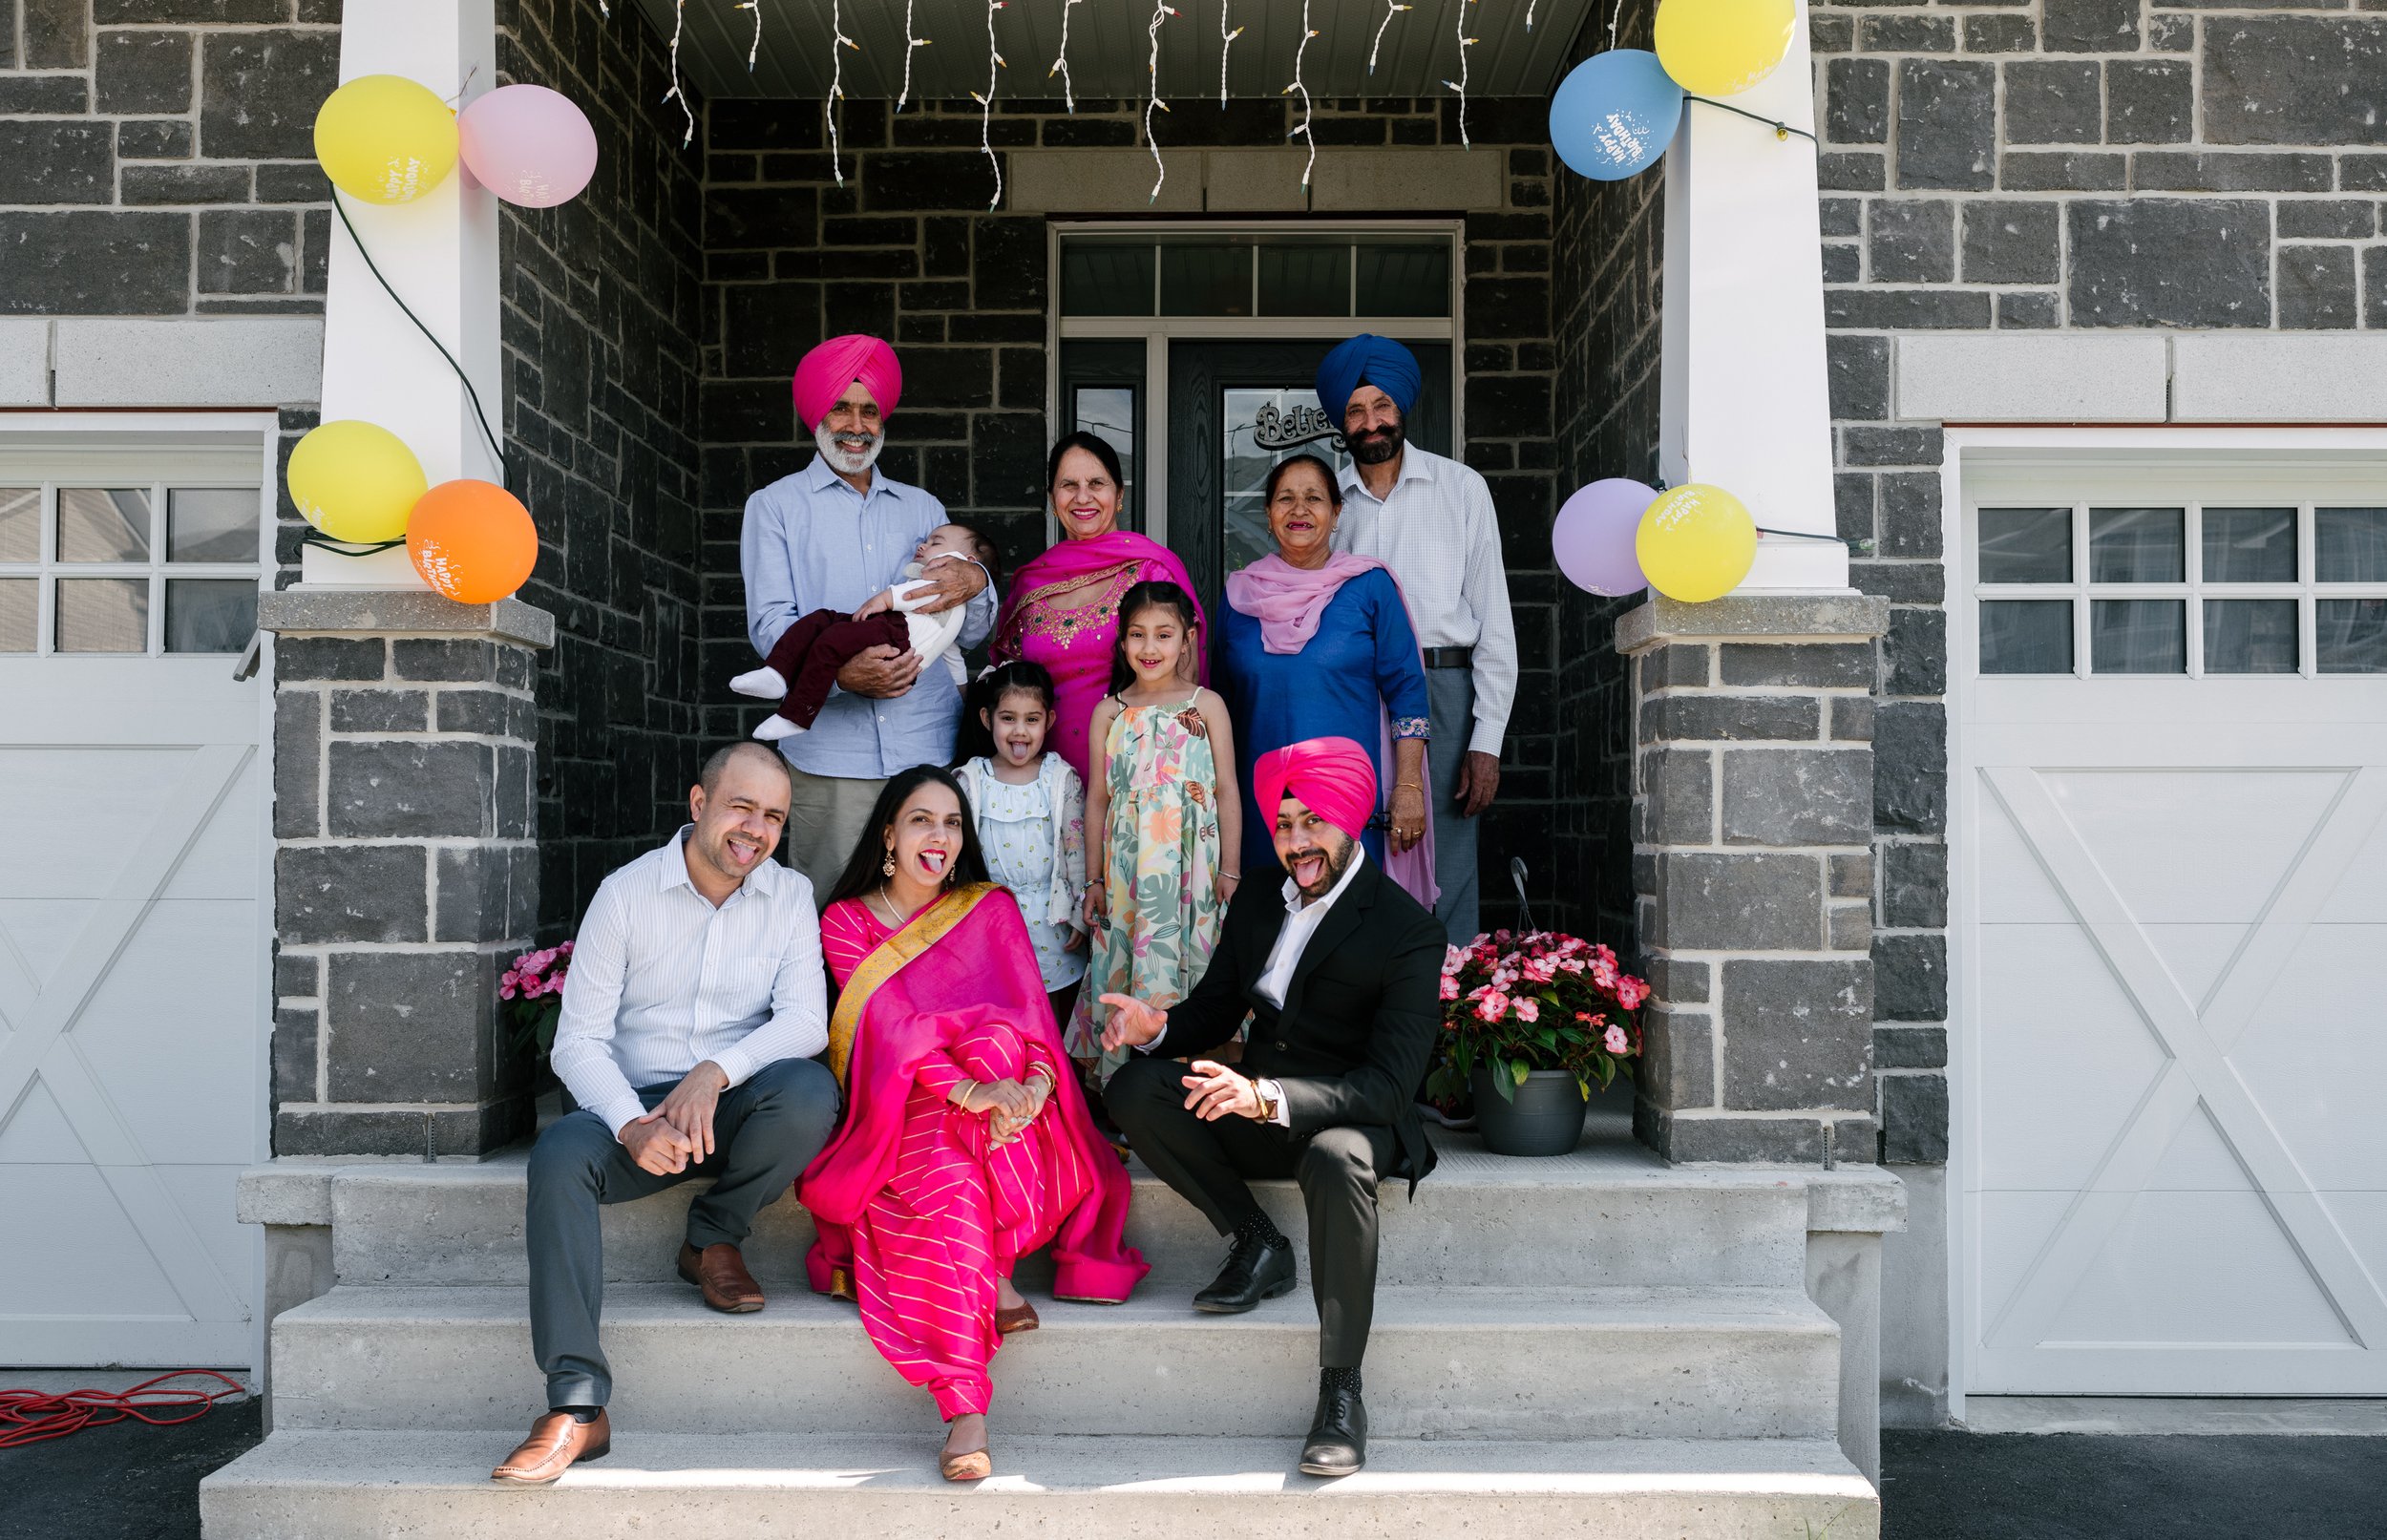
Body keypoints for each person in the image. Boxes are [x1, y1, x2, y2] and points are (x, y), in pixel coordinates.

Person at [494, 743, 841, 1487]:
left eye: (774, 816)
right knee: (558, 1156)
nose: (756, 829)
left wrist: (715, 1073)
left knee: (810, 1092)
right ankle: (578, 1405)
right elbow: (578, 1040)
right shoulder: (626, 894)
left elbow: (807, 1021)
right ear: (698, 804)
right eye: (741, 807)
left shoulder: (787, 895)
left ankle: (712, 1237)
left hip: (732, 1106)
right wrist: (631, 1122)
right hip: (636, 1109)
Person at [1098, 736, 1444, 1479]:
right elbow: (1219, 1004)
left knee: (1336, 1153)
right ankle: (1258, 1239)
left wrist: (1269, 1096)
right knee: (1135, 1085)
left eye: (1311, 822)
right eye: (1284, 825)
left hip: (1353, 1116)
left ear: (1350, 819)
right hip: (1257, 1102)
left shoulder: (1409, 931)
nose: (1295, 842)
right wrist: (1156, 1028)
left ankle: (1341, 1393)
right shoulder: (1259, 896)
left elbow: (1390, 1086)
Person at [796, 767, 1148, 1482]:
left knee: (997, 1042)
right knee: (951, 1178)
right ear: (888, 832)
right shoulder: (847, 921)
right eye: (922, 819)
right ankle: (967, 1403)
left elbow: (1032, 1020)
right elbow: (890, 1032)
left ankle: (991, 1270)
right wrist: (970, 1092)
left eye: (953, 822)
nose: (940, 836)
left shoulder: (987, 909)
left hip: (1001, 1106)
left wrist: (1031, 1087)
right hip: (899, 1107)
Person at [741, 333, 998, 894]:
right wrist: (838, 676)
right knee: (834, 912)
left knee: (927, 915)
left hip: (925, 750)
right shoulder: (775, 507)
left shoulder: (924, 509)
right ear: (817, 415)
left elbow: (969, 634)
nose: (856, 424)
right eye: (841, 407)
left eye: (869, 410)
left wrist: (976, 581)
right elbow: (770, 626)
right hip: (831, 758)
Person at [1318, 333, 1517, 942]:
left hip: (1445, 689)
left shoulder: (1462, 489)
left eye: (1381, 406)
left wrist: (1487, 741)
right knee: (1356, 847)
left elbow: (1496, 626)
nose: (1371, 421)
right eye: (1355, 410)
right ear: (1341, 422)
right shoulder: (1324, 500)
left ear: (1402, 408)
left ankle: (1446, 1013)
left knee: (1448, 863)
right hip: (1354, 692)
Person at [1216, 452, 1435, 910]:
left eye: (1314, 498)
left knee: (1349, 928)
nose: (1299, 510)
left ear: (1337, 512)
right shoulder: (1239, 596)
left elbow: (1408, 694)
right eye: (1285, 499)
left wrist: (1409, 786)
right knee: (1267, 929)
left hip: (1348, 799)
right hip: (1261, 805)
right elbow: (1219, 704)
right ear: (1268, 513)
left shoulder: (1369, 586)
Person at [1067, 580, 1240, 1086]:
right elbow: (1097, 798)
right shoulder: (1110, 711)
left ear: (1187, 639)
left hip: (1194, 866)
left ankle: (1195, 1079)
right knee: (1132, 954)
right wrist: (1094, 880)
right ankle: (1130, 1082)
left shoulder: (1206, 705)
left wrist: (1229, 868)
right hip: (1129, 873)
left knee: (1194, 957)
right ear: (1121, 642)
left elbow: (1226, 790)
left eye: (1164, 635)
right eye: (1137, 635)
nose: (1149, 648)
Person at [988, 432, 1205, 784]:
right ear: (1052, 499)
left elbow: (1185, 680)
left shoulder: (1151, 572)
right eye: (1068, 484)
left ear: (1119, 495)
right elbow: (1010, 689)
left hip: (1138, 775)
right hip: (1045, 782)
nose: (1083, 497)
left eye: (1097, 483)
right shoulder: (1031, 584)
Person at [729, 521, 999, 742]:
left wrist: (884, 599)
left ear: (968, 561)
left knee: (830, 643)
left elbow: (913, 595)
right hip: (887, 627)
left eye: (935, 543)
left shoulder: (943, 589)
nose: (922, 545)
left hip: (897, 636)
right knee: (819, 620)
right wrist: (962, 689)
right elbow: (951, 654)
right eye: (926, 540)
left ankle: (797, 715)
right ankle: (776, 673)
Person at [954, 659, 1090, 1031]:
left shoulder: (1060, 780)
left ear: (1049, 720)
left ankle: (1054, 1087)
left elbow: (1075, 852)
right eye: (1008, 718)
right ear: (987, 718)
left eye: (1032, 719)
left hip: (1051, 922)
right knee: (1000, 1018)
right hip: (989, 924)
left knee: (1051, 1020)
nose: (1020, 731)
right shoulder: (971, 781)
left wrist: (1079, 914)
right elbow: (957, 858)